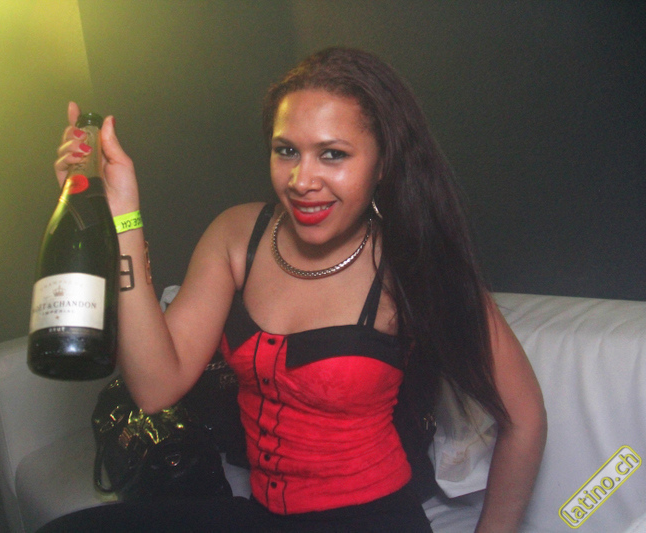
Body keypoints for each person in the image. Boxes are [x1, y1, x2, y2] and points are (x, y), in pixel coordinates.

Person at [52, 47, 546, 532]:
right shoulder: (237, 234)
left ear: (382, 164)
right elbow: (155, 387)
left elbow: (525, 420)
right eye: (286, 150)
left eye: (333, 155)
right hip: (266, 516)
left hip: (373, 520)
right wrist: (121, 216)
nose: (301, 180)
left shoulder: (411, 262)